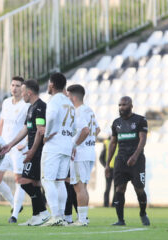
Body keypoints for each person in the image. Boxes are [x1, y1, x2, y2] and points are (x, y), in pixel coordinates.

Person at [1, 80, 50, 226]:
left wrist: (32, 151)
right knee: (34, 183)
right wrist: (10, 144)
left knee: (24, 181)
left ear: (28, 92)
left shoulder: (40, 107)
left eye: (23, 91)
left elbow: (40, 132)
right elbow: (26, 130)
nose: (21, 94)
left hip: (37, 151)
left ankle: (44, 212)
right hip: (32, 150)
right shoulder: (30, 108)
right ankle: (37, 215)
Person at [105, 96, 150, 226]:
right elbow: (113, 143)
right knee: (119, 188)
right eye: (119, 105)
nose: (121, 107)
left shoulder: (140, 120)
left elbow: (143, 139)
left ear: (131, 105)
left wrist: (135, 156)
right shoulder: (116, 123)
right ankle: (120, 220)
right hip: (121, 160)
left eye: (124, 105)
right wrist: (107, 165)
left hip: (137, 160)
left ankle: (142, 213)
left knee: (139, 189)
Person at [41, 72, 75, 226]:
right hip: (66, 144)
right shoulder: (69, 103)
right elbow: (74, 127)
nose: (48, 85)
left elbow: (52, 116)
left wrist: (47, 134)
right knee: (60, 181)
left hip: (54, 145)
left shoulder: (54, 101)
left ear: (52, 84)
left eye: (49, 83)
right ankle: (61, 215)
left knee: (47, 180)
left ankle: (55, 215)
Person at [0, 76, 29, 223]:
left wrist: (25, 143)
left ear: (23, 88)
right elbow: (1, 123)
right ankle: (14, 204)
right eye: (12, 85)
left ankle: (14, 215)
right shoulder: (6, 102)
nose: (14, 88)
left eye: (17, 85)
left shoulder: (26, 105)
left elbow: (29, 127)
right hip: (4, 146)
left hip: (18, 148)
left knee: (18, 180)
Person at [66, 84, 100, 226]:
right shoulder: (89, 110)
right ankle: (84, 218)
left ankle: (81, 220)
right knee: (82, 186)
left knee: (79, 187)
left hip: (80, 154)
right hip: (89, 151)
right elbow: (97, 129)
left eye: (68, 96)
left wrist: (74, 145)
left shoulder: (78, 111)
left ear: (73, 97)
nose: (67, 99)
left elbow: (85, 130)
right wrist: (89, 143)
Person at [99, 136, 118, 207]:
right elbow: (101, 158)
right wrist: (106, 166)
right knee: (108, 188)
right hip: (109, 169)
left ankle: (114, 205)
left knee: (116, 188)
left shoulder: (119, 142)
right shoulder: (106, 143)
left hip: (117, 169)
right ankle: (106, 204)